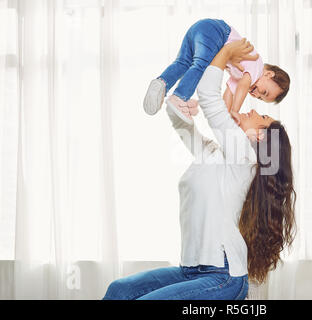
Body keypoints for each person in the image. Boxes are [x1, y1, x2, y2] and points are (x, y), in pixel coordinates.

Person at [103, 39, 296, 300]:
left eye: (262, 117)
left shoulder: (244, 156)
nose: (253, 108)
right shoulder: (218, 154)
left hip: (223, 276)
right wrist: (177, 101)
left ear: (260, 138)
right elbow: (183, 126)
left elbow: (210, 100)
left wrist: (226, 53)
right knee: (119, 291)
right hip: (191, 270)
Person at [143, 18, 290, 124]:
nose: (256, 94)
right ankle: (180, 96)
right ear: (269, 74)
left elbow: (229, 93)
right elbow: (243, 88)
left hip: (200, 29)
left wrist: (225, 118)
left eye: (259, 98)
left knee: (183, 63)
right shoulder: (256, 64)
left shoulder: (239, 75)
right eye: (264, 92)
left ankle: (162, 82)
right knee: (201, 66)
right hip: (217, 32)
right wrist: (235, 111)